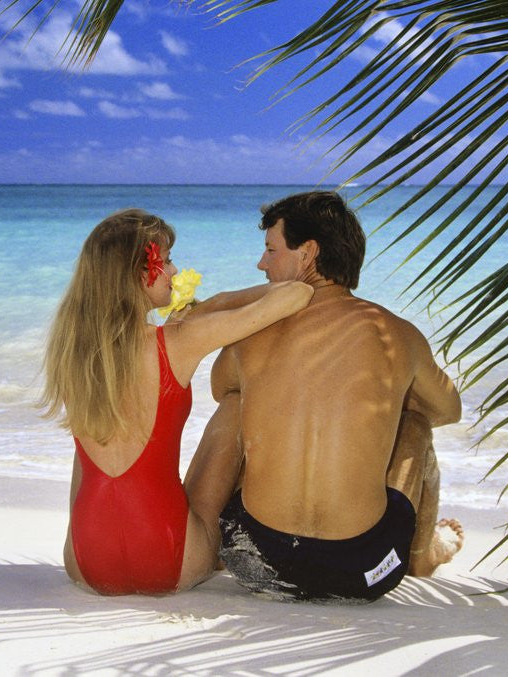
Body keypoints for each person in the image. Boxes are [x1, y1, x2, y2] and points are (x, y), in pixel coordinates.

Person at [193, 190, 464, 602]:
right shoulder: (397, 334)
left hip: (255, 561)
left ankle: (202, 540)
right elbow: (448, 409)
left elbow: (219, 389)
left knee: (236, 401)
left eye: (270, 250)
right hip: (366, 572)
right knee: (416, 423)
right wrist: (385, 401)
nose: (261, 264)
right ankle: (419, 556)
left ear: (308, 254)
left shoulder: (251, 333)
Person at [40, 208, 313, 596]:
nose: (173, 271)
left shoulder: (72, 352)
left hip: (85, 561)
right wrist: (215, 305)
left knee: (90, 435)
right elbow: (295, 295)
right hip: (167, 559)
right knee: (235, 402)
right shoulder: (178, 342)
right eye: (165, 261)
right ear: (138, 272)